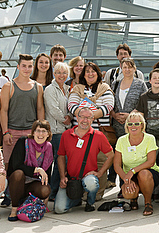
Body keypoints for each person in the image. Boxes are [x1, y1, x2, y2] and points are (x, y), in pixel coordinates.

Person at [67, 62, 115, 199]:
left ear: (98, 73)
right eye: (87, 71)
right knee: (80, 163)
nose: (90, 74)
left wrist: (86, 115)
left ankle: (97, 195)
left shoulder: (105, 88)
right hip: (79, 135)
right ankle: (80, 193)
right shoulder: (77, 88)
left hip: (99, 134)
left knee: (100, 163)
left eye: (93, 71)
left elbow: (108, 107)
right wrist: (89, 112)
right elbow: (72, 106)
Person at [55, 107, 114, 213]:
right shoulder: (66, 135)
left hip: (89, 177)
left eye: (88, 118)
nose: (85, 120)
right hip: (71, 179)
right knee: (59, 209)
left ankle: (90, 202)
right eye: (82, 117)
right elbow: (61, 156)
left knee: (91, 182)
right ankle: (77, 199)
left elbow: (111, 155)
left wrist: (100, 173)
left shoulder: (98, 136)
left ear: (92, 120)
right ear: (77, 118)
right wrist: (62, 177)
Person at [0, 54, 45, 166]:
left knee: (30, 165)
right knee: (8, 165)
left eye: (29, 66)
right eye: (24, 66)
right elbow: (3, 111)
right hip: (12, 132)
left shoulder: (38, 87)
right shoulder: (8, 86)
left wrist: (40, 131)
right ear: (18, 67)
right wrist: (5, 132)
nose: (26, 69)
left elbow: (40, 109)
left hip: (31, 132)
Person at [113, 112, 159, 215]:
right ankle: (133, 199)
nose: (133, 126)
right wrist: (126, 179)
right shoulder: (121, 140)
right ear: (126, 126)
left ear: (142, 125)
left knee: (143, 174)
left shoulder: (150, 138)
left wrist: (133, 171)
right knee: (128, 193)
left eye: (136, 124)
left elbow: (151, 162)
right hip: (128, 175)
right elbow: (116, 165)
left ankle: (148, 203)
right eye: (130, 124)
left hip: (148, 173)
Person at [6, 120, 54, 221]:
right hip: (17, 183)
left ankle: (27, 203)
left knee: (45, 189)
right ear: (33, 133)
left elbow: (47, 173)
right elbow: (16, 165)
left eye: (44, 131)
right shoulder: (23, 142)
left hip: (33, 184)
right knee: (18, 173)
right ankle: (14, 209)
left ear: (48, 134)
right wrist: (37, 169)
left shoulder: (49, 147)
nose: (40, 134)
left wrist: (46, 197)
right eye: (38, 131)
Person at [44, 62, 72, 200]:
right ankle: (53, 192)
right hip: (56, 130)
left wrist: (70, 117)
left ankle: (58, 190)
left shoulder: (67, 89)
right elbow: (53, 109)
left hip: (65, 130)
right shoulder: (50, 89)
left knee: (63, 161)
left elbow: (71, 107)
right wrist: (65, 119)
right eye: (59, 72)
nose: (62, 75)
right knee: (58, 161)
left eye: (64, 73)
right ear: (54, 74)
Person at [111, 58, 148, 139]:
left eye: (130, 67)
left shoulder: (140, 84)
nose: (127, 70)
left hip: (134, 126)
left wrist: (130, 115)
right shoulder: (115, 84)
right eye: (125, 67)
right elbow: (110, 102)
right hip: (117, 127)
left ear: (134, 69)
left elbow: (144, 103)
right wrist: (114, 115)